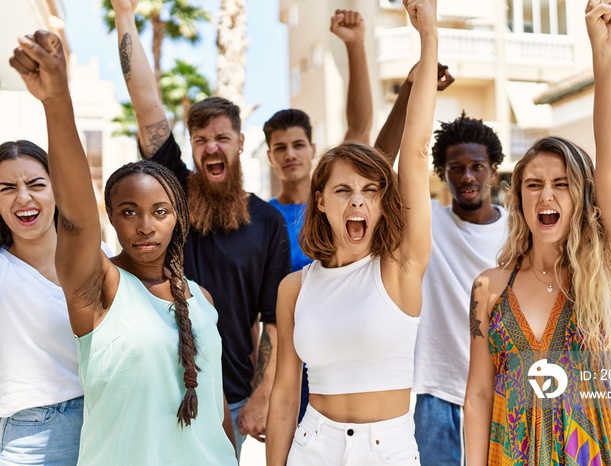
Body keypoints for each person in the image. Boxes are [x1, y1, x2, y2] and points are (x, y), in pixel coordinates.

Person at [10, 30, 237, 465]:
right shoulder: (98, 288)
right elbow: (74, 220)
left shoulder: (202, 299)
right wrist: (57, 101)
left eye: (160, 211)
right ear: (111, 218)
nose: (145, 225)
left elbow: (216, 406)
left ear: (178, 218)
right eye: (129, 211)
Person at [110, 0, 292, 457]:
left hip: (228, 399)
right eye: (201, 139)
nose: (212, 146)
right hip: (154, 386)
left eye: (222, 137)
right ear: (191, 146)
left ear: (240, 144)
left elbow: (274, 322)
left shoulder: (267, 221)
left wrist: (261, 396)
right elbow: (146, 100)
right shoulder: (170, 191)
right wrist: (125, 14)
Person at [464, 1, 611, 464]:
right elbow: (479, 396)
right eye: (534, 184)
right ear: (518, 197)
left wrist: (605, 55)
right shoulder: (488, 288)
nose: (547, 196)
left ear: (580, 198)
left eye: (562, 185)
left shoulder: (602, 274)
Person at [266, 0, 437, 464]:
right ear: (320, 201)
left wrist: (428, 35)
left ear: (383, 203)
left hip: (388, 450)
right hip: (311, 446)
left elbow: (417, 153)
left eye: (370, 190)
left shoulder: (400, 269)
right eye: (343, 190)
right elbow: (284, 397)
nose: (357, 200)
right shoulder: (293, 289)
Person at [374, 52, 504, 466]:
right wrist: (411, 88)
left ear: (494, 171)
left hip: (506, 390)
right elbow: (378, 164)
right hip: (436, 393)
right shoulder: (427, 222)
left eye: (477, 167)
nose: (467, 176)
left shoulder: (522, 231)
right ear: (442, 174)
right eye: (456, 168)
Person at [263, 8, 373, 424]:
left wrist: (354, 45)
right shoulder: (263, 217)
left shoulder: (339, 206)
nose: (290, 153)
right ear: (271, 157)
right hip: (293, 356)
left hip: (345, 347)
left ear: (312, 149)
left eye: (298, 144)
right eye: (280, 147)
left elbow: (360, 127)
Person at [0, 139, 84, 465]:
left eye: (36, 184)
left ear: (57, 189)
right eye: (7, 188)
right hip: (31, 433)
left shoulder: (100, 259)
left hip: (102, 420)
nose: (23, 197)